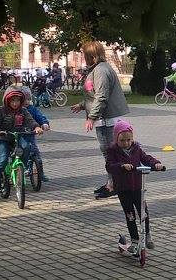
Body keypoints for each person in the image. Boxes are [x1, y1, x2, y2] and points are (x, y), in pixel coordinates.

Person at [71, 40, 130, 199]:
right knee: (109, 154)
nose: (83, 58)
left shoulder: (101, 70)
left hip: (106, 119)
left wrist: (92, 117)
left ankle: (115, 185)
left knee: (111, 154)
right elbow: (94, 95)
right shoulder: (98, 69)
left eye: (85, 55)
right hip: (103, 118)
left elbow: (102, 96)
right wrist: (82, 105)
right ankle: (112, 183)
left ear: (92, 56)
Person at [104, 120, 165, 256]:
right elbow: (109, 166)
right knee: (130, 215)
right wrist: (121, 166)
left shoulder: (136, 149)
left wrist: (156, 164)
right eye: (122, 140)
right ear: (116, 139)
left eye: (129, 140)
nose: (126, 143)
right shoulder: (113, 151)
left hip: (138, 187)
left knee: (144, 213)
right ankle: (135, 240)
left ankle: (147, 235)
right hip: (123, 189)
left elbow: (146, 158)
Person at [0, 89, 42, 191]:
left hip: (19, 136)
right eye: (12, 101)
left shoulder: (23, 111)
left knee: (26, 147)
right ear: (7, 101)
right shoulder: (1, 110)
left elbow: (30, 121)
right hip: (4, 138)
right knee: (3, 159)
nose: (15, 103)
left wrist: (37, 127)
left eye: (17, 100)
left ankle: (22, 168)